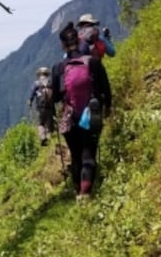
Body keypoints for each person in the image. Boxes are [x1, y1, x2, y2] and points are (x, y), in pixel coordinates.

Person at [52, 21, 113, 197]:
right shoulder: (93, 62)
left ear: (63, 45)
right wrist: (107, 108)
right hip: (91, 115)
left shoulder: (59, 68)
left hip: (69, 119)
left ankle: (78, 190)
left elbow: (56, 98)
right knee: (89, 155)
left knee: (76, 155)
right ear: (79, 41)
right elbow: (106, 89)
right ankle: (85, 194)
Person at [27, 66, 55, 145]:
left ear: (39, 74)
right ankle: (49, 141)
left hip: (40, 108)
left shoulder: (36, 83)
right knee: (49, 126)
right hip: (50, 107)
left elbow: (32, 94)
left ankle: (43, 138)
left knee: (41, 124)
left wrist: (30, 101)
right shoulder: (50, 83)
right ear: (47, 74)